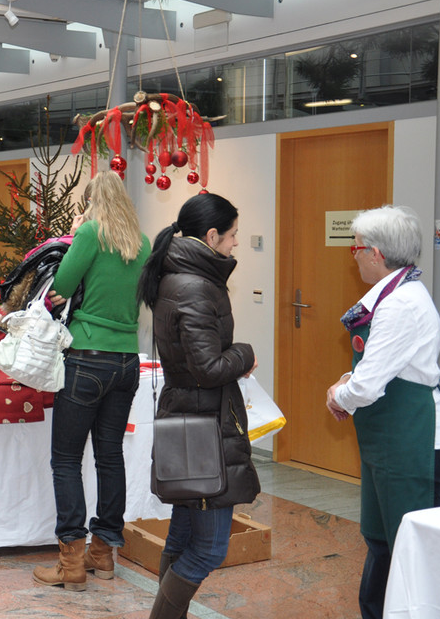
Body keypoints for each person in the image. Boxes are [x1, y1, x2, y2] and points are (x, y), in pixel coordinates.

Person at [325, 205, 440, 619]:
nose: (354, 256)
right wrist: (350, 383)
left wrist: (338, 394)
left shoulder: (400, 304)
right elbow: (380, 368)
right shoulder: (395, 294)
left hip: (415, 442)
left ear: (376, 254)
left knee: (407, 547)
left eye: (357, 249)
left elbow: (367, 386)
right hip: (393, 441)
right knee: (382, 540)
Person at [137, 193, 259, 619]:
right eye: (232, 235)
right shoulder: (195, 286)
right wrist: (245, 353)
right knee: (208, 548)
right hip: (205, 425)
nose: (236, 243)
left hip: (189, 415)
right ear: (211, 235)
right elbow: (208, 368)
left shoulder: (179, 276)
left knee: (183, 536)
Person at [32, 171, 151, 592]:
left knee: (66, 459)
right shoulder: (141, 243)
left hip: (86, 359)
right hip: (126, 361)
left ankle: (71, 563)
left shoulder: (89, 233)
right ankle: (102, 553)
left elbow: (62, 286)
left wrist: (76, 235)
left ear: (90, 201)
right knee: (110, 456)